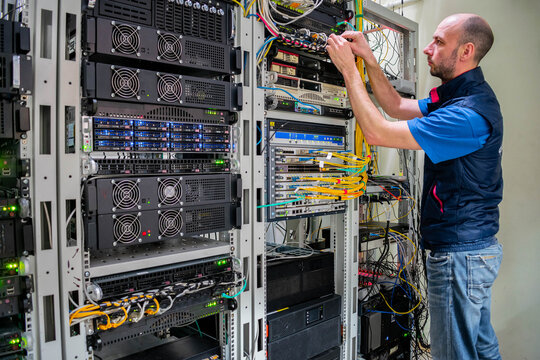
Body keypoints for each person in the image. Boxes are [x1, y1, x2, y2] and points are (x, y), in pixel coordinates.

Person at [326, 14, 503, 360]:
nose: (427, 48)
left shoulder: (466, 114)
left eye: (438, 42)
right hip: (472, 251)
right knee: (481, 348)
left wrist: (349, 71)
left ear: (466, 51)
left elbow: (377, 132)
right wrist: (370, 61)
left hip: (459, 255)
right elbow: (396, 106)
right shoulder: (461, 95)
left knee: (455, 354)